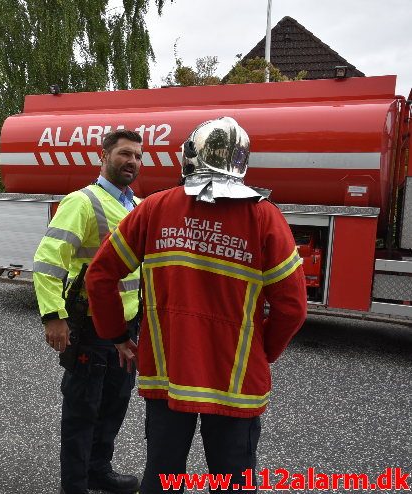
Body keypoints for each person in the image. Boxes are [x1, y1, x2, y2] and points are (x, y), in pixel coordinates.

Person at [86, 117, 307, 493]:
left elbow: (100, 276)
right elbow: (292, 309)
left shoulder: (154, 208)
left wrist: (117, 336)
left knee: (164, 475)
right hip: (235, 381)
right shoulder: (264, 216)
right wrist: (261, 352)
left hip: (168, 373)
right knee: (232, 481)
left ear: (188, 156)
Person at [33, 129, 144, 494]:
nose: (132, 161)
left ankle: (99, 469)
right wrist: (54, 316)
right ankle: (75, 484)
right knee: (83, 411)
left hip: (126, 328)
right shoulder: (82, 203)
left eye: (138, 156)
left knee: (115, 404)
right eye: (125, 153)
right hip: (91, 328)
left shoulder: (138, 206)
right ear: (104, 156)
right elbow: (48, 261)